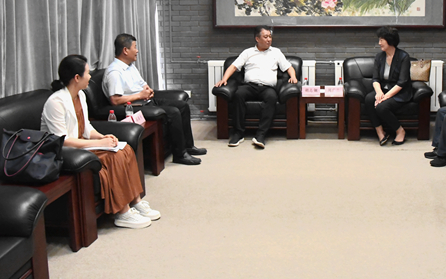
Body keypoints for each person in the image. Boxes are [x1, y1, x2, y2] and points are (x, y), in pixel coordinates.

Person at [41, 55, 160, 229]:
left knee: (125, 149)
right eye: (87, 73)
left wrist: (102, 137)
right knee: (113, 157)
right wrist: (100, 145)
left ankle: (135, 201)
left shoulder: (80, 95)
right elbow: (62, 140)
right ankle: (123, 212)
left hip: (81, 144)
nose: (90, 77)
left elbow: (86, 127)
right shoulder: (56, 102)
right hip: (65, 151)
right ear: (77, 77)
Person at [102, 33, 206, 166]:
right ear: (125, 50)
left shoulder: (130, 66)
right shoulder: (115, 72)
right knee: (173, 112)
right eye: (135, 47)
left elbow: (142, 84)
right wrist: (140, 95)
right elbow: (115, 100)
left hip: (146, 101)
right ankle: (180, 155)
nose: (137, 50)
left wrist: (148, 90)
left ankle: (188, 146)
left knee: (182, 105)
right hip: (135, 107)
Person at [215, 26, 298, 149]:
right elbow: (233, 66)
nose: (269, 39)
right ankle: (238, 133)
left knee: (271, 98)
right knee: (238, 95)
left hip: (268, 87)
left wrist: (293, 77)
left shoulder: (276, 52)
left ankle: (261, 135)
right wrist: (224, 79)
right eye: (265, 37)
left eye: (270, 37)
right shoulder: (248, 52)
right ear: (257, 39)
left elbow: (288, 67)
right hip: (250, 86)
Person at [365, 26, 413, 146]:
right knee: (369, 99)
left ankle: (400, 131)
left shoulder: (403, 57)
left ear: (390, 40)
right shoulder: (379, 57)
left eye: (381, 40)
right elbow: (375, 79)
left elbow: (402, 82)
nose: (379, 43)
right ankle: (380, 131)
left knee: (381, 107)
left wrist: (385, 97)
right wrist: (379, 93)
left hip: (399, 92)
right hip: (384, 89)